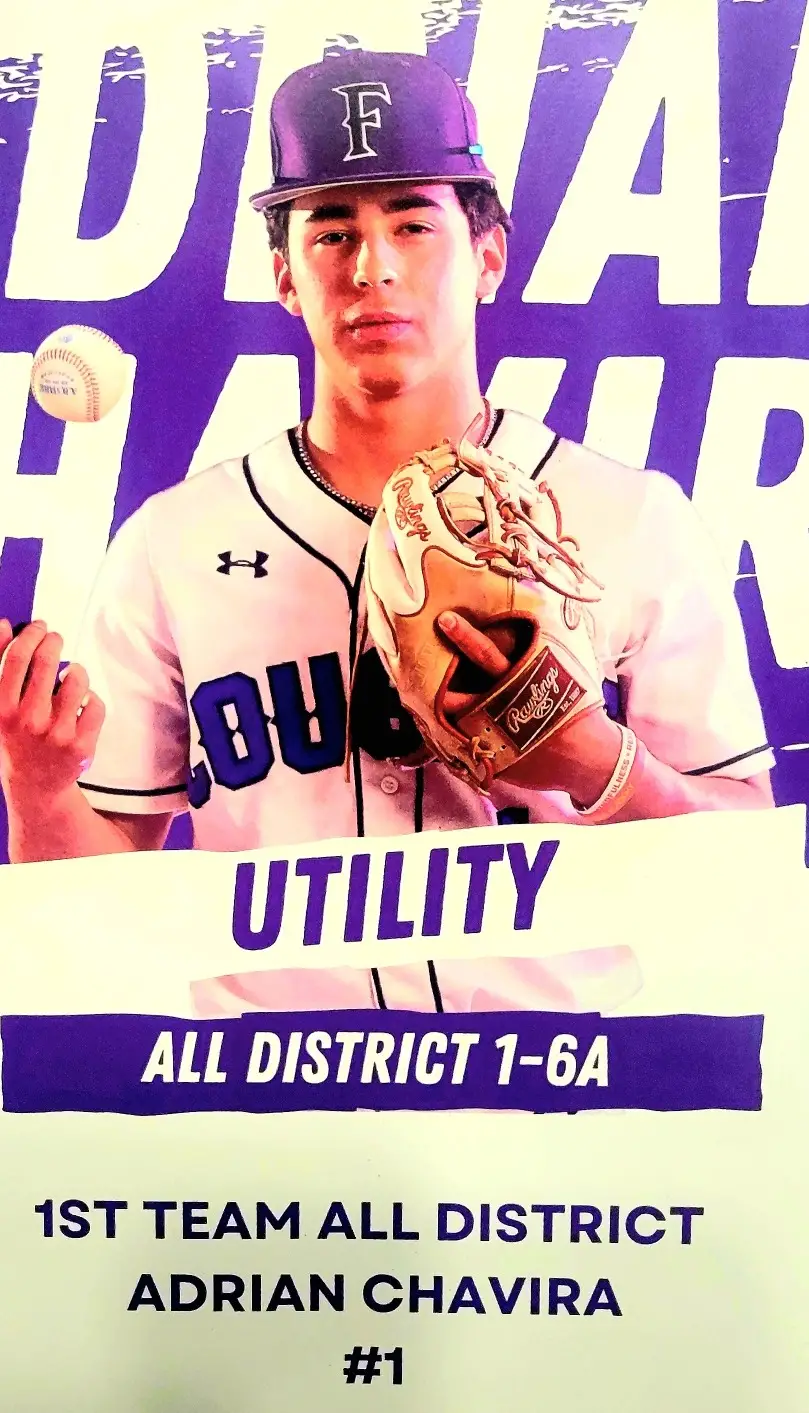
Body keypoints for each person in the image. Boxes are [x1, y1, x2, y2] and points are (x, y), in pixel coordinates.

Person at [0, 50, 773, 879]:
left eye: (412, 225)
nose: (373, 267)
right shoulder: (171, 545)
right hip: (278, 975)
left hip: (554, 975)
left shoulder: (630, 518)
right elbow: (99, 898)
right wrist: (39, 792)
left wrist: (601, 766)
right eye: (332, 233)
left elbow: (749, 859)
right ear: (285, 278)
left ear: (487, 258)